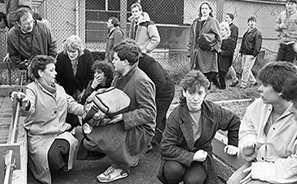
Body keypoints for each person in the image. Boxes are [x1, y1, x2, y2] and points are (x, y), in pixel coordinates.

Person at [80, 40, 156, 183]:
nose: (112, 62)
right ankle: (129, 157)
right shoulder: (118, 77)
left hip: (141, 128)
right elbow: (114, 102)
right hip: (125, 121)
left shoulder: (141, 80)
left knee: (99, 137)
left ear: (125, 62)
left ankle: (120, 167)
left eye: (115, 59)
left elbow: (150, 113)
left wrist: (123, 117)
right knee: (90, 140)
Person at [11, 55, 85, 184]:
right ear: (40, 73)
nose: (55, 73)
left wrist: (89, 111)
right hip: (41, 136)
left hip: (60, 132)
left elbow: (72, 105)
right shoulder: (31, 89)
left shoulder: (59, 88)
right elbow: (29, 108)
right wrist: (25, 102)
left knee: (70, 144)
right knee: (53, 156)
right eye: (51, 70)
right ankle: (51, 165)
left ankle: (58, 164)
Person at [157, 70, 240, 184]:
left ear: (205, 93)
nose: (195, 98)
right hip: (178, 155)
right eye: (191, 93)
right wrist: (192, 156)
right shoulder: (176, 116)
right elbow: (166, 147)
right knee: (172, 171)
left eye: (200, 93)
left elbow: (234, 120)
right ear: (184, 93)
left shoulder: (213, 111)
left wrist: (233, 143)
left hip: (201, 155)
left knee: (193, 181)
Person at [228, 61, 297, 184]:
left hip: (285, 174)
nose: (259, 89)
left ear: (281, 89)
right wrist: (249, 143)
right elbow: (248, 127)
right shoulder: (260, 105)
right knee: (233, 181)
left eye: (264, 85)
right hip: (258, 163)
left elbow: (294, 165)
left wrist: (261, 171)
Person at [126, 39, 175, 147]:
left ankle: (147, 143)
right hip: (155, 91)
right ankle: (165, 141)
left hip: (164, 92)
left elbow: (160, 82)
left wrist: (148, 97)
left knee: (154, 118)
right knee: (160, 119)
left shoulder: (148, 62)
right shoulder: (131, 64)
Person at [55, 35, 94, 129]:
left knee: (83, 107)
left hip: (83, 86)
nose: (71, 54)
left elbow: (90, 74)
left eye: (73, 52)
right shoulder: (61, 57)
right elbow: (58, 76)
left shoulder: (87, 55)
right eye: (68, 51)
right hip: (67, 87)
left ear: (79, 50)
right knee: (69, 111)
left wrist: (85, 89)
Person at [188, 1, 221, 87]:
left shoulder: (213, 21)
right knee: (196, 74)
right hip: (196, 52)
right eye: (202, 8)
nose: (204, 10)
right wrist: (189, 51)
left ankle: (206, 90)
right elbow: (191, 38)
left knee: (207, 74)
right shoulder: (195, 23)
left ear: (210, 10)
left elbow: (218, 37)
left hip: (208, 53)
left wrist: (214, 48)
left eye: (206, 8)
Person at [239, 16, 262, 89]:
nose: (252, 23)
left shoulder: (257, 33)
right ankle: (253, 81)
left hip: (251, 54)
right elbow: (243, 43)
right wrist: (241, 51)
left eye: (253, 21)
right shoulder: (246, 33)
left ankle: (243, 84)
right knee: (244, 68)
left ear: (255, 23)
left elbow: (258, 45)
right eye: (250, 21)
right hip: (245, 53)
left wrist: (255, 54)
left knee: (246, 70)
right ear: (248, 23)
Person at [213, 21, 236, 89]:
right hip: (217, 61)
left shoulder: (230, 41)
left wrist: (221, 52)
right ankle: (218, 87)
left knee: (221, 77)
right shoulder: (219, 40)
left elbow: (230, 52)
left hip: (224, 62)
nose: (221, 31)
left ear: (227, 31)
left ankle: (222, 89)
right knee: (213, 76)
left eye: (223, 30)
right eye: (220, 30)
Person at [225, 13, 240, 87]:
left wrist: (231, 48)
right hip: (224, 48)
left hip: (229, 49)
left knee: (228, 64)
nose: (225, 19)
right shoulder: (225, 26)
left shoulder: (234, 28)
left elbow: (234, 39)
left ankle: (235, 79)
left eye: (227, 17)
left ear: (231, 19)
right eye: (225, 17)